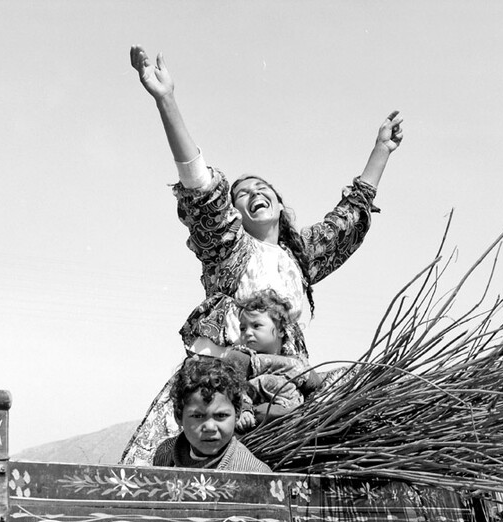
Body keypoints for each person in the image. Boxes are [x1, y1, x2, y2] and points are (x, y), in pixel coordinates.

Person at [120, 45, 403, 465]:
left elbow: (347, 219)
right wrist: (166, 100)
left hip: (282, 389)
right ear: (232, 212)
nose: (252, 196)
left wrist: (381, 150)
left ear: (278, 199)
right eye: (241, 195)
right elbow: (201, 189)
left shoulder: (299, 254)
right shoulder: (229, 248)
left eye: (260, 188)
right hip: (223, 382)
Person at [152, 356, 272, 472]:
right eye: (197, 416)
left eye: (221, 416)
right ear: (178, 416)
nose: (210, 427)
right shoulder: (165, 453)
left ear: (237, 414)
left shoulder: (253, 474)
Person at [225, 289, 322, 432]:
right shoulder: (244, 358)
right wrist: (244, 410)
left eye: (256, 325)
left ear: (281, 330)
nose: (248, 333)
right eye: (243, 328)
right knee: (266, 411)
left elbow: (315, 385)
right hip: (259, 418)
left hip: (295, 421)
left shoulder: (296, 363)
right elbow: (234, 386)